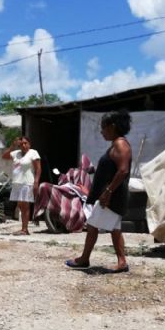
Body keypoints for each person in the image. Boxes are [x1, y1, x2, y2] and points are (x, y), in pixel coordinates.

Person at [65, 109, 131, 272]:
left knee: (92, 225)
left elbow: (123, 171)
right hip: (111, 195)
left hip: (111, 197)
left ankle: (84, 259)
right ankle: (122, 261)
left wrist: (108, 191)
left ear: (112, 126)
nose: (101, 131)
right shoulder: (116, 144)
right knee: (115, 229)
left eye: (103, 127)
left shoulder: (120, 144)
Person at [2, 136, 41, 235]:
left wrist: (36, 182)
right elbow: (4, 156)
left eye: (25, 143)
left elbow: (38, 168)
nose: (23, 145)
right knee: (20, 205)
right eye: (21, 144)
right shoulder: (16, 153)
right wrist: (13, 146)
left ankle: (25, 229)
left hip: (27, 183)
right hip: (17, 183)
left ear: (29, 144)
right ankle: (24, 228)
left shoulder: (33, 153)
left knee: (25, 206)